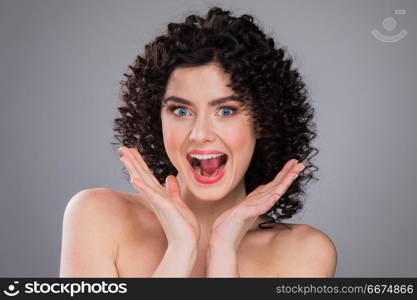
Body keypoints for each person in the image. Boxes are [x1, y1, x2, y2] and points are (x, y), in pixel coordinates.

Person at [59, 7, 336, 277]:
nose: (199, 133)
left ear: (263, 121)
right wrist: (180, 250)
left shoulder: (302, 251)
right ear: (157, 119)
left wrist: (223, 250)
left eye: (225, 111)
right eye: (181, 111)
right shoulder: (99, 216)